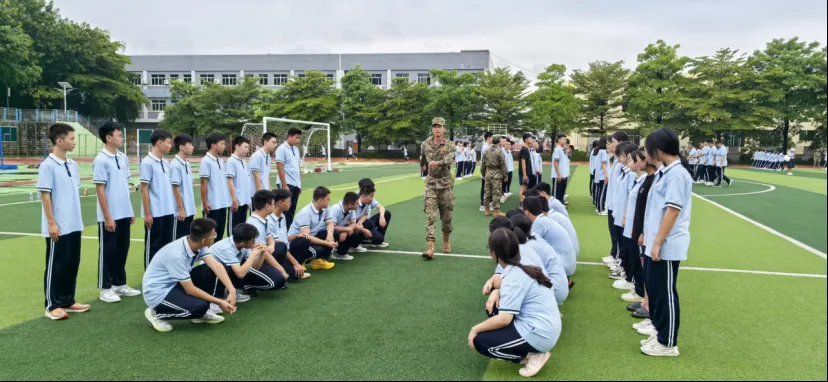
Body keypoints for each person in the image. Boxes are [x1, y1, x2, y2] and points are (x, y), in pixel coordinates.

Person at [469, 229, 561, 378]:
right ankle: (528, 349)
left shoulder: (514, 275)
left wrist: (474, 329)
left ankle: (531, 356)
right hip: (546, 326)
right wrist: (496, 291)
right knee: (495, 307)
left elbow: (505, 319)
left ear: (494, 253)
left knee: (481, 342)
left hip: (540, 333)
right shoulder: (521, 264)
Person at [639, 127, 693, 357]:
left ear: (659, 151)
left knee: (665, 293)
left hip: (667, 246)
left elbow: (672, 211)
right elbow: (655, 211)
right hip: (655, 243)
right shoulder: (664, 173)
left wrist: (658, 242)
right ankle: (660, 331)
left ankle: (668, 343)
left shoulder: (677, 175)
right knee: (655, 289)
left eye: (648, 149)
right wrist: (646, 235)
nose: (645, 153)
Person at [142, 218, 237, 333]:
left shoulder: (196, 243)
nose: (215, 236)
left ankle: (200, 314)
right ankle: (156, 312)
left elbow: (216, 266)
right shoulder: (177, 255)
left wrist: (232, 290)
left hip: (175, 284)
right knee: (199, 307)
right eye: (213, 235)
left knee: (208, 272)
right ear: (203, 240)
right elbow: (190, 289)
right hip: (158, 292)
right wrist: (219, 302)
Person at [39, 123, 89, 321]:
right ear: (59, 141)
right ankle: (52, 305)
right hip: (58, 226)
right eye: (71, 138)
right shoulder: (47, 166)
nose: (74, 142)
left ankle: (68, 300)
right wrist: (52, 222)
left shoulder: (72, 164)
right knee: (56, 265)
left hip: (74, 223)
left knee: (71, 263)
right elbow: (45, 195)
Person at [93, 122, 140, 304]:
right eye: (119, 135)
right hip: (109, 215)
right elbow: (100, 189)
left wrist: (130, 211)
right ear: (109, 138)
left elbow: (126, 186)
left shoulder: (122, 157)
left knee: (122, 249)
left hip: (124, 213)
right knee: (108, 251)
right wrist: (107, 216)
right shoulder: (101, 160)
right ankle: (106, 288)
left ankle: (119, 284)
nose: (122, 138)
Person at [209, 223, 287, 298]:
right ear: (242, 243)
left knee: (242, 266)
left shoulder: (241, 243)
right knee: (231, 268)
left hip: (224, 274)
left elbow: (255, 267)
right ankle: (217, 298)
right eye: (252, 241)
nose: (254, 243)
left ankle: (233, 291)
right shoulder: (227, 248)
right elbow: (240, 274)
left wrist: (262, 253)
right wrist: (253, 254)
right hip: (209, 277)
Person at [510, 214, 570, 304]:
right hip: (560, 284)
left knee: (514, 287)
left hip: (555, 289)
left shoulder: (526, 248)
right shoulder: (534, 237)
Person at [141, 129, 176, 268]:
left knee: (166, 246)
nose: (170, 146)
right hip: (155, 212)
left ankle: (163, 275)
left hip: (168, 211)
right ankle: (150, 278)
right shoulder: (147, 163)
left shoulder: (166, 163)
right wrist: (147, 213)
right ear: (159, 143)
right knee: (153, 246)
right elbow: (144, 189)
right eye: (168, 143)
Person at [421, 117, 456, 260]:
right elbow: (423, 158)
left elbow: (450, 158)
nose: (437, 129)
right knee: (430, 215)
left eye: (439, 126)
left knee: (446, 217)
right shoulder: (425, 144)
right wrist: (423, 166)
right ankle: (430, 247)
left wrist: (439, 163)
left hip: (445, 185)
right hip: (431, 184)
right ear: (432, 129)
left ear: (444, 129)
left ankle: (446, 238)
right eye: (434, 126)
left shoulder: (449, 144)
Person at [523, 196, 576, 277]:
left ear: (526, 212)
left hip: (563, 267)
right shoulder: (544, 220)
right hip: (567, 264)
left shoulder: (539, 223)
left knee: (526, 258)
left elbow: (527, 245)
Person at [287, 186, 338, 271]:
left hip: (311, 237)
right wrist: (326, 243)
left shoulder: (326, 208)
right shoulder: (305, 213)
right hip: (296, 242)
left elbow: (330, 223)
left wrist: (329, 234)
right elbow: (306, 236)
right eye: (328, 199)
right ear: (320, 200)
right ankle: (299, 262)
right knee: (314, 248)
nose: (329, 201)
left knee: (334, 233)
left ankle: (319, 262)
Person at [268, 189, 310, 281]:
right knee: (294, 275)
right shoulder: (269, 220)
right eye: (288, 202)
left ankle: (295, 267)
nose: (290, 204)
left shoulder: (282, 216)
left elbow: (284, 238)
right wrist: (295, 263)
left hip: (286, 250)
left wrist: (296, 236)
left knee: (304, 239)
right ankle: (293, 268)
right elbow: (279, 244)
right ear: (280, 203)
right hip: (277, 253)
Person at [200, 133, 232, 240]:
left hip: (222, 203)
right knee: (209, 235)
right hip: (212, 204)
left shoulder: (220, 160)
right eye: (222, 144)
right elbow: (203, 183)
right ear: (213, 145)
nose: (224, 146)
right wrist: (205, 202)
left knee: (219, 233)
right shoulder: (206, 161)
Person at [170, 134, 197, 240]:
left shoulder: (186, 164)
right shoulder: (175, 165)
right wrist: (181, 209)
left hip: (189, 210)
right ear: (181, 147)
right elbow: (175, 188)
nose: (193, 147)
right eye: (190, 144)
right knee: (178, 241)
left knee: (187, 240)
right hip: (180, 212)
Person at [277, 127, 303, 228]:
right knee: (284, 210)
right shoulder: (281, 149)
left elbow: (298, 167)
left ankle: (288, 232)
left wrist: (299, 184)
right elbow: (280, 167)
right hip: (287, 184)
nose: (298, 140)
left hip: (295, 184)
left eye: (299, 138)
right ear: (289, 136)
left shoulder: (296, 149)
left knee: (291, 210)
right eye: (296, 137)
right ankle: (282, 232)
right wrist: (284, 185)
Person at [227, 137, 253, 232]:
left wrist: (248, 200)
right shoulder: (231, 161)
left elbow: (247, 182)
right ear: (237, 146)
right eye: (245, 147)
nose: (247, 149)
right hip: (236, 201)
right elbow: (230, 181)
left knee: (241, 228)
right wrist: (234, 200)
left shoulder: (243, 162)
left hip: (244, 201)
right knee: (233, 229)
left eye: (248, 147)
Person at [356, 178, 392, 248]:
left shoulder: (369, 196)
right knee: (366, 223)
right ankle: (357, 242)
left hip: (366, 222)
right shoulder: (355, 198)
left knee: (386, 213)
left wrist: (382, 217)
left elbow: (381, 207)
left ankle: (375, 239)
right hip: (357, 224)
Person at [327, 192, 363, 260]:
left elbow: (353, 223)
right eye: (357, 204)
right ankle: (330, 252)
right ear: (350, 205)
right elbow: (331, 226)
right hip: (329, 230)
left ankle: (340, 253)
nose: (358, 206)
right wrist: (347, 229)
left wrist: (345, 231)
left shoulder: (351, 210)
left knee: (356, 231)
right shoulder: (336, 209)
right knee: (336, 233)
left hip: (341, 229)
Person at [482, 135, 508, 217]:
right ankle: (496, 211)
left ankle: (486, 210)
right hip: (497, 173)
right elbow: (503, 164)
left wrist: (483, 173)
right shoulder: (499, 151)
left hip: (488, 173)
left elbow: (483, 163)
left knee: (487, 191)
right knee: (496, 192)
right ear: (499, 141)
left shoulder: (487, 150)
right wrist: (505, 175)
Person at [592, 137, 610, 215]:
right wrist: (606, 176)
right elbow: (604, 165)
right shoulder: (603, 152)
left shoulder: (600, 151)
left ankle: (598, 208)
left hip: (599, 176)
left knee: (599, 192)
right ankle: (601, 209)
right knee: (602, 193)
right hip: (603, 176)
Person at [550, 134, 570, 204]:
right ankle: (554, 207)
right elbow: (555, 162)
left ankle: (560, 204)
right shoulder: (557, 150)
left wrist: (565, 174)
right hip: (557, 175)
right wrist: (558, 174)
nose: (565, 140)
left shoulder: (562, 150)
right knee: (556, 193)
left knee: (561, 192)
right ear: (558, 140)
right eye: (563, 139)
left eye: (565, 139)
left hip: (563, 175)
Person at [518, 133, 537, 204]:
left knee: (525, 188)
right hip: (524, 174)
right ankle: (521, 204)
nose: (532, 140)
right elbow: (523, 163)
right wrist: (525, 175)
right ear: (526, 140)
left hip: (528, 173)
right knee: (523, 188)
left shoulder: (527, 149)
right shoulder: (524, 150)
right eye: (530, 138)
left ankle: (524, 203)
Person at [480, 132, 494, 212]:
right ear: (489, 137)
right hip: (486, 171)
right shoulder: (485, 147)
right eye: (492, 137)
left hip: (490, 171)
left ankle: (488, 203)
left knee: (489, 188)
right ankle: (482, 204)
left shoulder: (489, 146)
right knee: (484, 188)